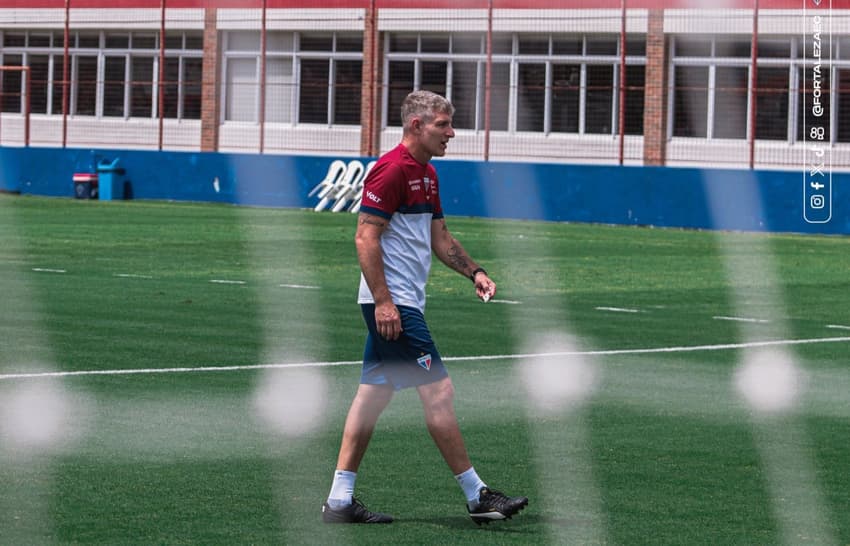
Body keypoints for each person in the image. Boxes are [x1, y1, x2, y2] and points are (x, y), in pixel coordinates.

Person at [321, 90, 528, 525]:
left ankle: (339, 501)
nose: (451, 133)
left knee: (370, 399)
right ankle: (477, 496)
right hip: (394, 305)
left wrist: (475, 272)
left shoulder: (428, 175)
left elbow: (441, 240)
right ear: (417, 126)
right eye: (443, 125)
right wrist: (384, 302)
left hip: (400, 302)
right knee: (439, 392)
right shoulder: (391, 170)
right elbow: (364, 238)